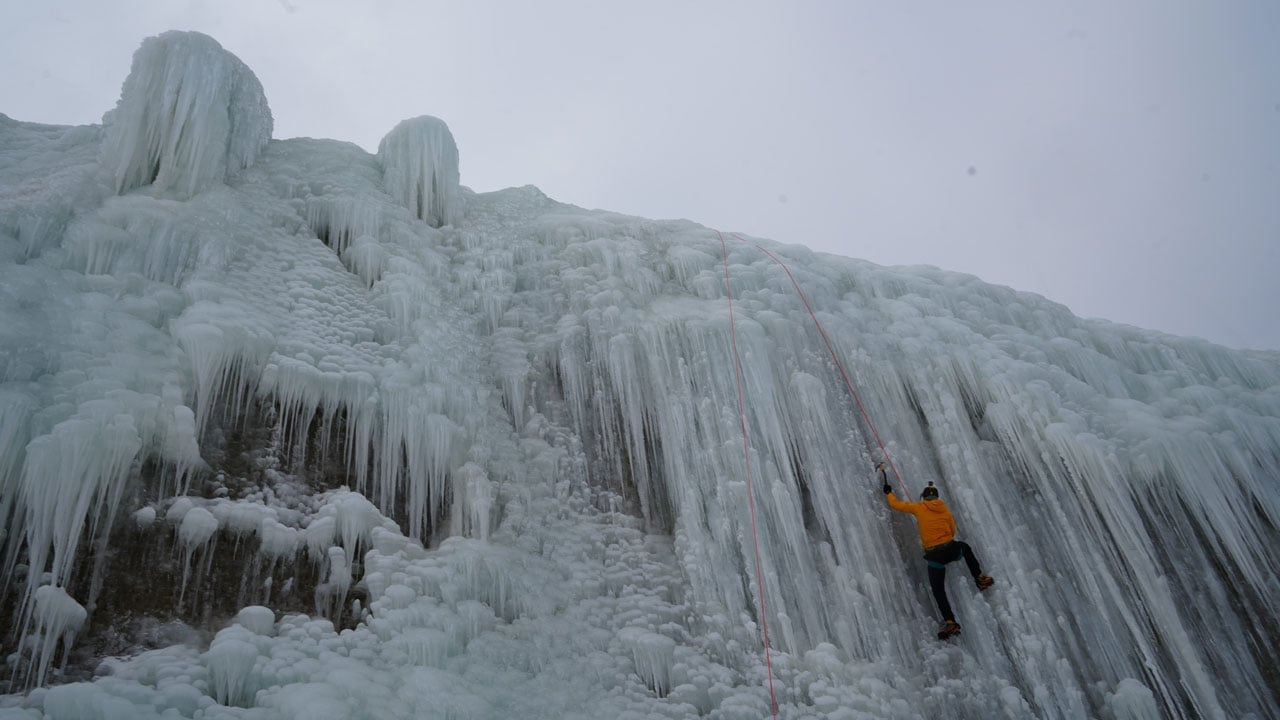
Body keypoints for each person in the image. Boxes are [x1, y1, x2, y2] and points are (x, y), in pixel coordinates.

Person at [880, 464, 994, 639]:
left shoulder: (918, 507)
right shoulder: (945, 509)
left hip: (934, 556)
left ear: (924, 497)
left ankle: (949, 621)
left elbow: (897, 505)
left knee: (938, 589)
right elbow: (952, 529)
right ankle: (979, 578)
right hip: (950, 549)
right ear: (936, 497)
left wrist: (888, 492)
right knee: (965, 548)